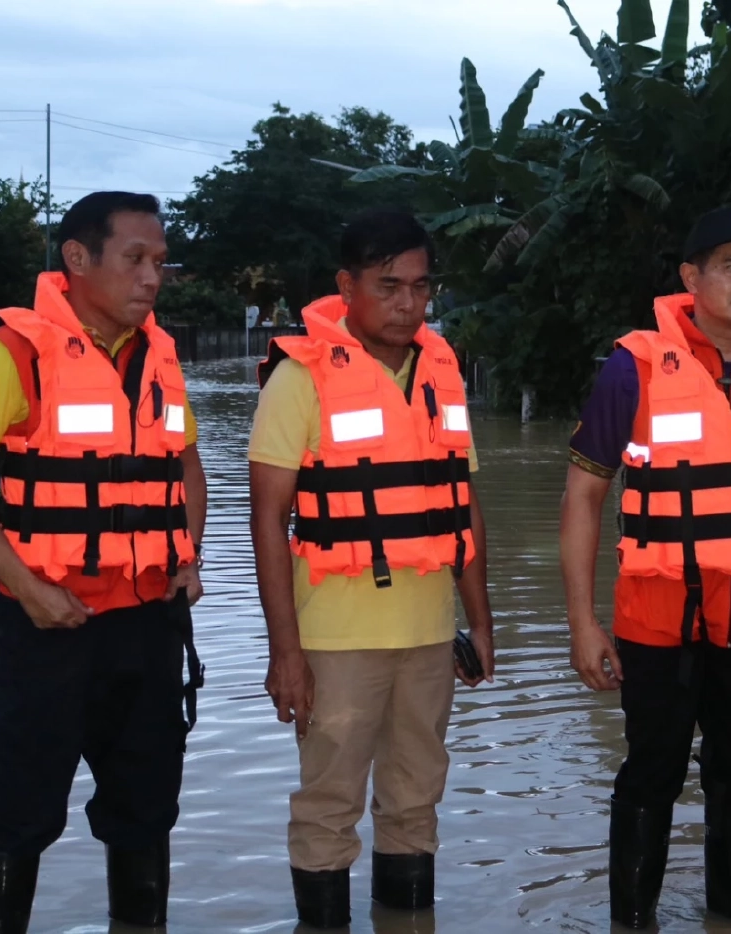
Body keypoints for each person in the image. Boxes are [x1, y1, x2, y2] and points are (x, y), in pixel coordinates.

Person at [0, 191, 207, 933]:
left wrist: (189, 556)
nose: (152, 277)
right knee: (23, 814)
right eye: (136, 259)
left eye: (160, 262)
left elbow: (185, 466)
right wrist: (26, 587)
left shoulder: (163, 356)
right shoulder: (12, 353)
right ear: (77, 260)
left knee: (146, 814)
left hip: (149, 625)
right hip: (49, 628)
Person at [560, 205, 731, 928]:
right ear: (691, 276)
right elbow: (585, 496)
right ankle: (631, 921)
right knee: (651, 772)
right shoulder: (635, 368)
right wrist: (583, 622)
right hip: (657, 614)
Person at [249, 208, 496, 929]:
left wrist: (479, 620)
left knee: (415, 802)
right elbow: (268, 518)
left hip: (426, 632)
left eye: (420, 288)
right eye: (389, 286)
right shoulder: (299, 380)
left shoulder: (442, 374)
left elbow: (464, 505)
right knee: (329, 808)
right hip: (334, 640)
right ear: (346, 286)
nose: (408, 304)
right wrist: (285, 653)